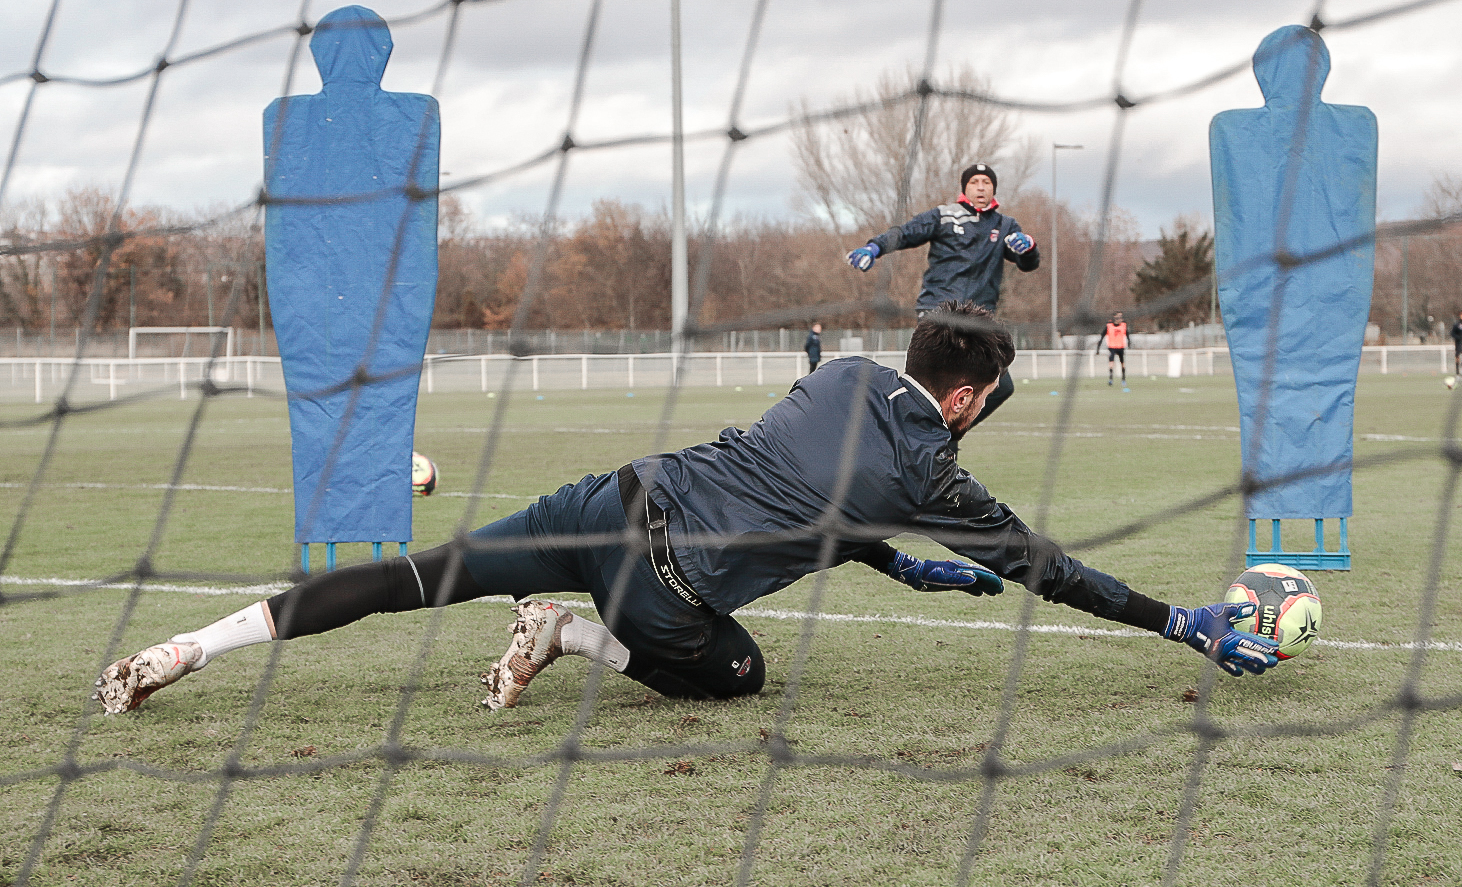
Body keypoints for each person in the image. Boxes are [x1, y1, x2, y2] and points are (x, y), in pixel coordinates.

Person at [94, 303, 1277, 716]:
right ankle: (569, 636)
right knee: (743, 677)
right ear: (962, 398)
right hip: (661, 597)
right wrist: (1179, 621)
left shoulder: (839, 373)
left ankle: (185, 649)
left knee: (420, 576)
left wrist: (893, 562)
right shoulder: (935, 475)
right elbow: (1049, 570)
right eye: (988, 402)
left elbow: (802, 488)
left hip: (609, 495)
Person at [844, 163, 1037, 428]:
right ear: (964, 187)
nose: (981, 187)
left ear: (993, 188)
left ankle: (942, 437)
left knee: (1000, 387)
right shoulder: (944, 216)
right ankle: (912, 434)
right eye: (974, 182)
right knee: (936, 387)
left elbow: (1027, 264)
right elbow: (905, 233)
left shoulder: (1005, 225)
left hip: (977, 320)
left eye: (986, 182)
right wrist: (874, 247)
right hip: (939, 311)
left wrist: (1028, 248)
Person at [1095, 312, 1130, 390]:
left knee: (1122, 363)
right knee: (1111, 363)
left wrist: (1129, 343)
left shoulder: (1123, 326)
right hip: (1112, 347)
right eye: (1118, 317)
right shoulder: (1109, 326)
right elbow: (1102, 337)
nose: (1120, 319)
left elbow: (1127, 335)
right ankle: (1111, 379)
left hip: (1121, 347)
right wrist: (1098, 348)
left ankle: (1123, 379)